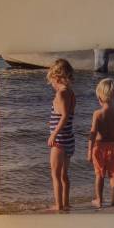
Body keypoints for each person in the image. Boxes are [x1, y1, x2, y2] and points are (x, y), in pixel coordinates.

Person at [87, 76, 114, 208]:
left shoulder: (97, 114)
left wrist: (89, 151)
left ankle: (99, 200)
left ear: (99, 98)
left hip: (99, 148)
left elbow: (92, 133)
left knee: (99, 175)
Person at [45, 58, 76, 212]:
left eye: (51, 82)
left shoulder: (61, 94)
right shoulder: (71, 93)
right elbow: (68, 116)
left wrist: (53, 134)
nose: (51, 85)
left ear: (56, 78)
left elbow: (63, 116)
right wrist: (52, 123)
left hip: (60, 140)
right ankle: (65, 203)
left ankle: (58, 206)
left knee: (55, 175)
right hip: (69, 138)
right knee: (64, 175)